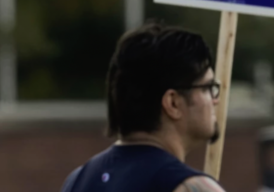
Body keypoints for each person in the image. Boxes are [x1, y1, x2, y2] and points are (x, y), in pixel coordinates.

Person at [60, 23, 227, 192]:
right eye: (207, 87)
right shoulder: (190, 187)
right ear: (173, 103)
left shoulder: (76, 181)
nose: (216, 100)